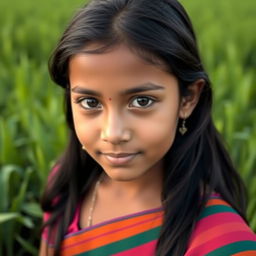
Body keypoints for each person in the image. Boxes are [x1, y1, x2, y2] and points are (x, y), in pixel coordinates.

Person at [39, 0, 256, 255]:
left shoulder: (222, 242)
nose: (113, 133)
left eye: (142, 101)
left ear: (188, 99)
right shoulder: (66, 185)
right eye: (89, 102)